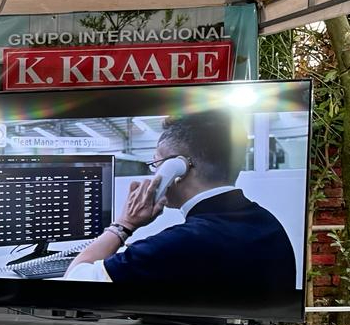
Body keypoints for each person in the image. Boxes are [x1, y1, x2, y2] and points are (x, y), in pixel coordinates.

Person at [67, 110, 296, 294]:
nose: (155, 174)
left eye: (156, 164)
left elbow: (75, 282)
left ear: (177, 168)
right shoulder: (270, 225)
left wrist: (123, 225)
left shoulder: (179, 244)